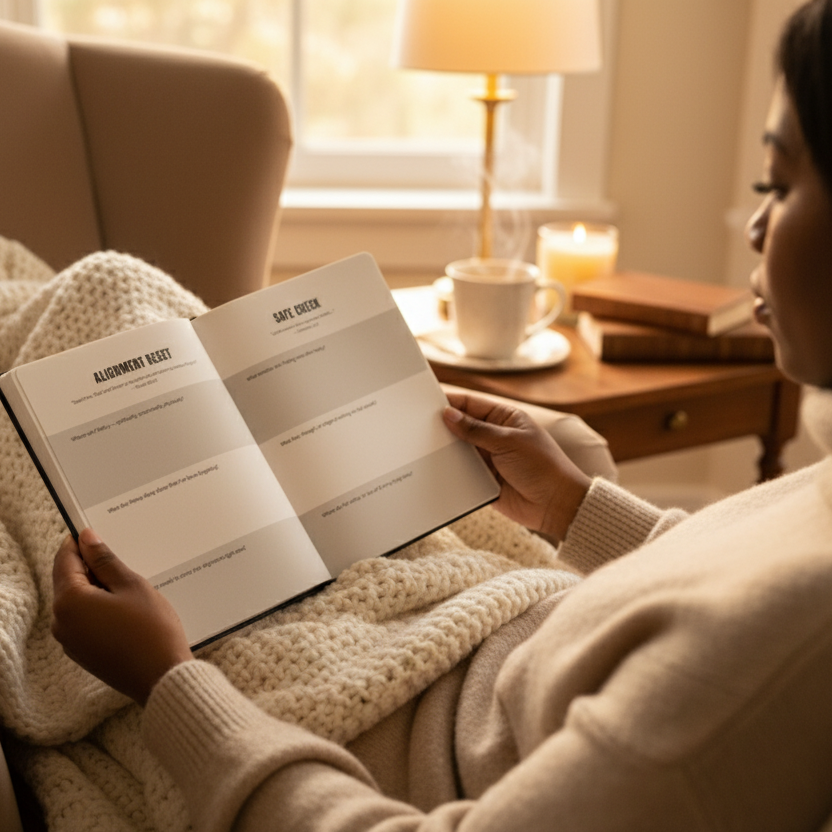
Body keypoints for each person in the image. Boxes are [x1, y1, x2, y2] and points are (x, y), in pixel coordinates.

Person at [50, 0, 832, 828]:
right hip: (484, 629)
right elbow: (721, 585)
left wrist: (169, 682)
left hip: (372, 718)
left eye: (779, 185)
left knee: (91, 315)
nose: (754, 226)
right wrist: (572, 505)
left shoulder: (788, 661)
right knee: (113, 294)